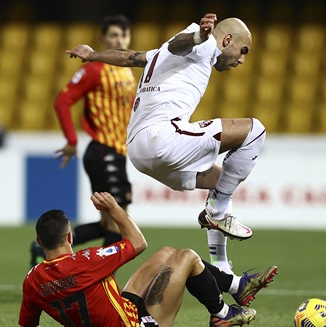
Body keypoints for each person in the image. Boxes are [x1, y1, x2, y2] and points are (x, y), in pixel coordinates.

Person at [66, 13, 266, 275]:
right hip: (162, 139)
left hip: (138, 150)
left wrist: (93, 55)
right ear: (227, 39)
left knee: (221, 182)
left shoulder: (160, 54)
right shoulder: (202, 43)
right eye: (243, 51)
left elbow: (129, 57)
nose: (241, 59)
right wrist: (198, 36)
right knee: (255, 130)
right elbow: (179, 44)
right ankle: (215, 214)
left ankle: (222, 270)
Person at [18, 192, 278, 327]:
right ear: (70, 236)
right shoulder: (87, 260)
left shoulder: (32, 280)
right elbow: (138, 242)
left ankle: (237, 287)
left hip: (113, 324)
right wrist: (114, 209)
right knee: (186, 256)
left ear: (40, 243)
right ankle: (221, 313)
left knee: (167, 253)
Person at [30, 15, 137, 266]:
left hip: (117, 151)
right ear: (102, 39)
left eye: (123, 35)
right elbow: (62, 101)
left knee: (109, 223)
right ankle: (103, 281)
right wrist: (71, 140)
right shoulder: (94, 70)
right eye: (113, 35)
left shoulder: (128, 71)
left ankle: (41, 249)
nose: (119, 40)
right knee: (118, 221)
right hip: (103, 150)